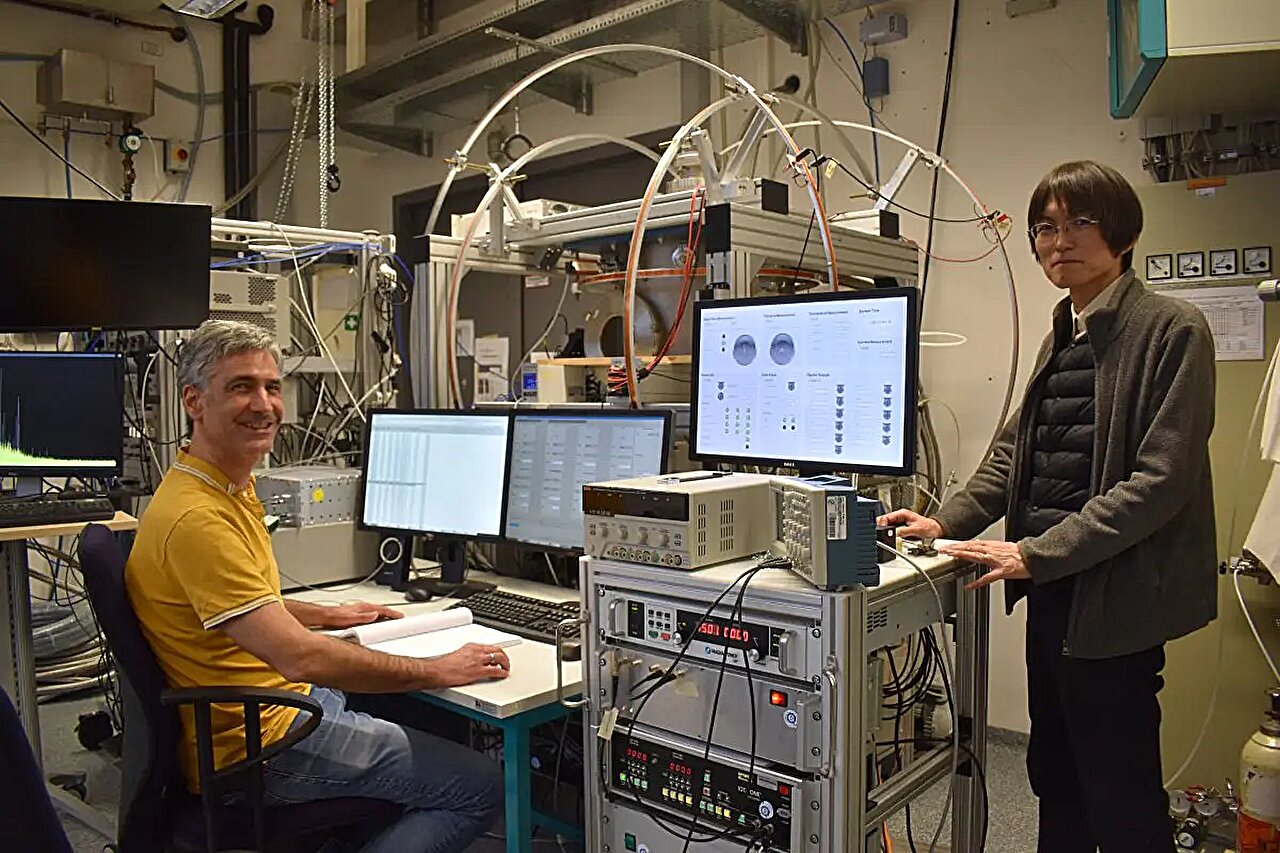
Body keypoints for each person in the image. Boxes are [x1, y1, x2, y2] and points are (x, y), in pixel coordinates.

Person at [881, 161, 1217, 852]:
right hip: (1050, 592)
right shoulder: (1064, 331)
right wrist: (945, 521)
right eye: (1044, 227)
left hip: (1116, 602)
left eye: (1079, 222)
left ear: (1123, 233)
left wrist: (1036, 551)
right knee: (1055, 776)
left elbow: (1161, 480)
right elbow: (1014, 455)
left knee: (1120, 794)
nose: (1058, 241)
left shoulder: (1171, 330)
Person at [127, 319, 508, 853]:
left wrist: (325, 614)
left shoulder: (218, 486)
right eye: (241, 387)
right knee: (480, 785)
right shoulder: (199, 519)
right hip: (265, 745)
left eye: (272, 386)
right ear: (194, 401)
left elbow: (232, 606)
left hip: (272, 709)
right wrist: (438, 669)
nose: (264, 404)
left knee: (421, 712)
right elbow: (299, 658)